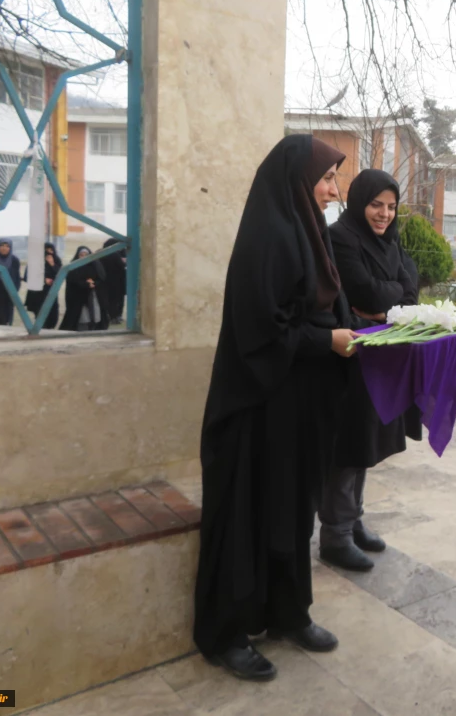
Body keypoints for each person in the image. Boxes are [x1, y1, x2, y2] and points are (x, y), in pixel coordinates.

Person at [194, 135, 358, 682]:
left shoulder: (312, 233)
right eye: (328, 179)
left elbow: (326, 306)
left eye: (336, 179)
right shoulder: (269, 235)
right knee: (247, 516)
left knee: (291, 512)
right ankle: (226, 633)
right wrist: (326, 341)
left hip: (299, 407)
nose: (336, 191)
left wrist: (362, 333)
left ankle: (290, 613)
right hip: (256, 408)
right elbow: (262, 331)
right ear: (297, 180)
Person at [322, 169, 422, 572]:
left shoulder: (389, 242)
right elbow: (364, 293)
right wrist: (390, 299)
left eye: (391, 207)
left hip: (382, 354)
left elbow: (409, 291)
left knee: (367, 441)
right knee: (348, 444)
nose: (384, 214)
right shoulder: (341, 237)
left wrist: (388, 299)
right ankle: (335, 534)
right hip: (350, 352)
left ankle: (353, 520)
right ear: (359, 201)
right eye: (376, 205)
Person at [59, 247, 110, 331]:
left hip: (93, 294)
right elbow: (73, 280)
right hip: (78, 296)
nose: (83, 257)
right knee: (81, 316)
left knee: (95, 313)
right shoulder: (73, 266)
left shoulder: (95, 264)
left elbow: (101, 277)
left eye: (86, 255)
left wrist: (93, 283)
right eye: (81, 255)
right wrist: (85, 283)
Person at [24, 242, 62, 330]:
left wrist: (52, 264)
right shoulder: (35, 260)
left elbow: (61, 275)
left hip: (51, 293)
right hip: (37, 293)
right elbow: (28, 276)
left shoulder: (56, 260)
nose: (49, 252)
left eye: (51, 250)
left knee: (52, 317)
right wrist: (44, 280)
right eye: (46, 250)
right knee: (40, 316)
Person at [101, 237, 127, 325]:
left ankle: (114, 316)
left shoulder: (103, 253)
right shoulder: (116, 255)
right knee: (116, 299)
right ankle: (116, 316)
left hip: (110, 281)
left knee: (113, 299)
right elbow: (122, 265)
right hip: (118, 281)